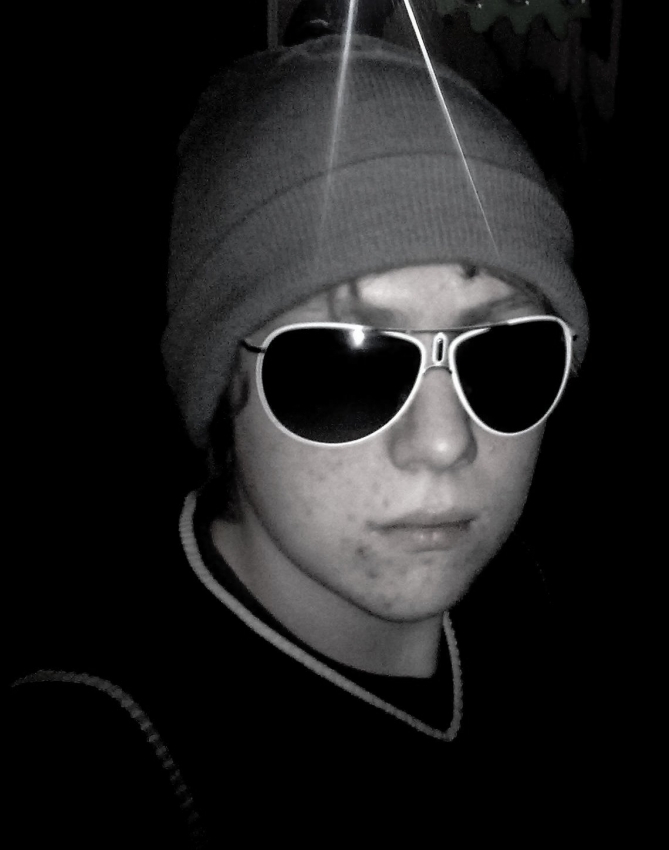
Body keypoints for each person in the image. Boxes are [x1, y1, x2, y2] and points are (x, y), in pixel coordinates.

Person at [9, 27, 592, 848]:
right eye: (341, 366)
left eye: (502, 356)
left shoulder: (531, 598)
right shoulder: (95, 755)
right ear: (223, 382)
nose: (443, 444)